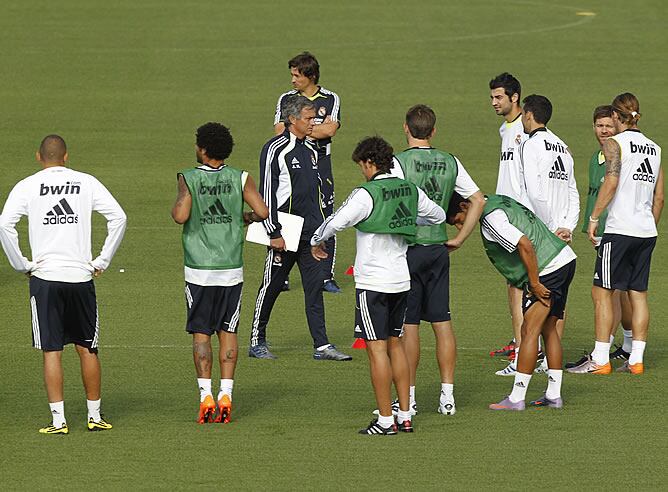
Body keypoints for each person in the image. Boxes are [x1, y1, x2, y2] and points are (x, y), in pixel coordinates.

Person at [311, 136, 446, 434]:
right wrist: (409, 218)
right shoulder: (409, 189)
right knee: (396, 344)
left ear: (370, 163)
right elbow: (438, 215)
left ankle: (385, 420)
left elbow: (338, 220)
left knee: (376, 350)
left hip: (373, 281)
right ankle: (405, 414)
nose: (362, 171)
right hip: (401, 279)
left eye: (361, 165)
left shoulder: (366, 193)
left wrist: (315, 240)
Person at [0, 135, 126, 434]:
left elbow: (5, 224)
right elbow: (118, 217)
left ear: (38, 156)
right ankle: (94, 417)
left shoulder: (27, 186)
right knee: (87, 348)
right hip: (81, 277)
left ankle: (59, 421)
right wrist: (102, 260)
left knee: (52, 351)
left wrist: (23, 265)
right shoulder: (86, 182)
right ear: (66, 156)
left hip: (45, 278)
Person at [171, 122, 269, 424]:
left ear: (202, 148)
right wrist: (244, 216)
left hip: (199, 269)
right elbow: (263, 212)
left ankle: (206, 397)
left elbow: (180, 216)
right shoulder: (240, 178)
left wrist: (187, 197)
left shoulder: (189, 178)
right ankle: (227, 393)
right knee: (229, 332)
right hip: (231, 268)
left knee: (202, 334)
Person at [391, 104, 484, 416]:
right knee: (443, 323)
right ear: (433, 131)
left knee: (410, 325)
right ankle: (447, 396)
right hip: (437, 249)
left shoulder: (399, 162)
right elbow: (478, 200)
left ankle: (411, 397)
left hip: (409, 250)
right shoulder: (450, 160)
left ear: (406, 127)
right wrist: (459, 238)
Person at [447, 193, 576, 410]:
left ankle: (517, 398)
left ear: (464, 206)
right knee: (549, 329)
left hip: (548, 268)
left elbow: (524, 244)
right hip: (564, 259)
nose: (460, 227)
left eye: (458, 221)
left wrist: (534, 283)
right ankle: (554, 395)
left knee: (529, 332)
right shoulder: (498, 200)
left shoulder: (490, 219)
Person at [249, 94, 351, 361]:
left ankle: (322, 345)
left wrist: (320, 233)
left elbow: (314, 195)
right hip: (285, 230)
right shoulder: (275, 149)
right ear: (292, 119)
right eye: (307, 119)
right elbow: (267, 192)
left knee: (314, 286)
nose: (312, 124)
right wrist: (274, 232)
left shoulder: (310, 150)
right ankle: (257, 339)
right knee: (271, 286)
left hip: (309, 232)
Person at [577, 93, 663, 375]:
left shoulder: (615, 144)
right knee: (638, 294)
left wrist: (593, 217)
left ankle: (601, 359)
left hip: (619, 229)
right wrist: (648, 225)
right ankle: (636, 359)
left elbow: (611, 181)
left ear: (616, 116)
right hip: (646, 230)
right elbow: (659, 197)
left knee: (601, 291)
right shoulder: (655, 147)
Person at [513, 94, 579, 375]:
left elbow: (534, 192)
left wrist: (548, 228)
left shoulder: (531, 144)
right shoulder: (562, 145)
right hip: (563, 239)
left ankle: (518, 392)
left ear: (528, 115)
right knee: (552, 325)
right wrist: (567, 225)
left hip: (546, 241)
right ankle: (554, 391)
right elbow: (573, 191)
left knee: (531, 325)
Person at [566, 106, 633, 370]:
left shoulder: (619, 156)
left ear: (617, 126)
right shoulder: (597, 157)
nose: (603, 130)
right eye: (598, 125)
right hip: (603, 233)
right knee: (621, 291)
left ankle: (602, 352)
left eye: (608, 125)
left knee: (608, 292)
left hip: (613, 232)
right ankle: (627, 347)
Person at [274, 52, 342, 293]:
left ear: (310, 76)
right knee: (288, 213)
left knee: (325, 218)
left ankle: (325, 276)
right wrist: (315, 128)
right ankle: (280, 273)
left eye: (296, 75)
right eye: (291, 74)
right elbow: (279, 130)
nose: (292, 80)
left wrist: (300, 128)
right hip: (292, 164)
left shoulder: (331, 98)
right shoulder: (286, 98)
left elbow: (331, 130)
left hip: (321, 166)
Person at [488, 73, 529, 368]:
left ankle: (525, 348)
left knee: (520, 284)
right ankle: (521, 341)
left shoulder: (523, 130)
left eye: (499, 97)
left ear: (514, 97)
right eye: (492, 97)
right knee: (514, 283)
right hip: (507, 212)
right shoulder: (507, 128)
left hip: (519, 215)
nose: (493, 102)